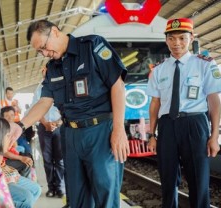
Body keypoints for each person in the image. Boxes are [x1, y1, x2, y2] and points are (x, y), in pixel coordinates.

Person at [22, 20, 129, 208]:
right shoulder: (53, 67)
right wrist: (19, 126)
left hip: (100, 132)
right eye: (40, 52)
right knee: (77, 199)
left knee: (106, 196)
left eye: (44, 47)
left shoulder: (92, 46)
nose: (45, 53)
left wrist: (119, 130)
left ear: (54, 32)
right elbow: (44, 102)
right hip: (70, 135)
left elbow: (117, 85)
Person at [146, 18, 221, 208]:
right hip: (167, 126)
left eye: (182, 38)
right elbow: (155, 103)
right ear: (166, 41)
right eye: (171, 38)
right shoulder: (158, 69)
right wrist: (151, 134)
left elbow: (214, 100)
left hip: (194, 124)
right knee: (168, 178)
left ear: (191, 38)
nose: (176, 43)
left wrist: (214, 136)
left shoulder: (205, 64)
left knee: (198, 178)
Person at [31, 68, 65, 199]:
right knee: (47, 159)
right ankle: (51, 187)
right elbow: (36, 108)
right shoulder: (39, 89)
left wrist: (58, 123)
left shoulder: (62, 86)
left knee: (60, 159)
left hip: (59, 126)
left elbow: (66, 108)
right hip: (43, 127)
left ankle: (60, 187)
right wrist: (45, 123)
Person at [1, 106, 33, 177]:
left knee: (28, 156)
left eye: (12, 115)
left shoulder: (13, 128)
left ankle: (25, 178)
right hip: (3, 160)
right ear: (2, 118)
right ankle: (21, 182)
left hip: (9, 154)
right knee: (26, 163)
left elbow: (14, 145)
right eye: (7, 116)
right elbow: (4, 152)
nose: (10, 118)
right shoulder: (2, 130)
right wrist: (21, 158)